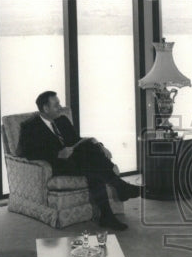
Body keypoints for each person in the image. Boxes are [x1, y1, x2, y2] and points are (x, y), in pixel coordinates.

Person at [18, 91, 141, 230]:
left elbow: (76, 141)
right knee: (93, 165)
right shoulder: (30, 126)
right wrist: (57, 154)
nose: (60, 107)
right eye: (56, 105)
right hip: (56, 164)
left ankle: (108, 214)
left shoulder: (62, 119)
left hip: (75, 160)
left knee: (91, 157)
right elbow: (26, 153)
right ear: (45, 108)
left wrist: (98, 145)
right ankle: (120, 188)